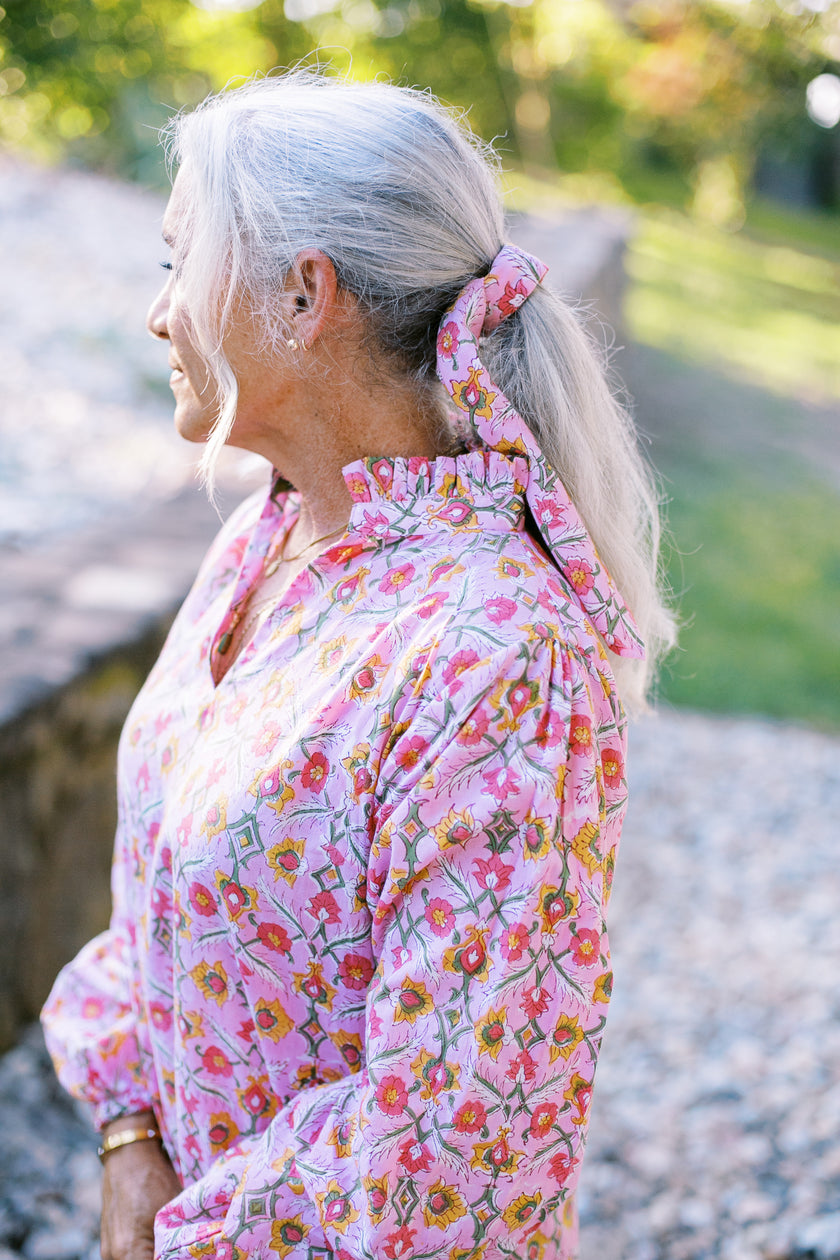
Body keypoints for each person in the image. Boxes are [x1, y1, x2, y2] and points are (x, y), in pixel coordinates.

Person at [42, 71, 675, 1260]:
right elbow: (155, 899)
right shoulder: (264, 540)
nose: (160, 310)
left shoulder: (501, 661)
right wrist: (131, 1140)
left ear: (301, 294)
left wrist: (178, 1236)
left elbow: (459, 1152)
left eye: (180, 262)